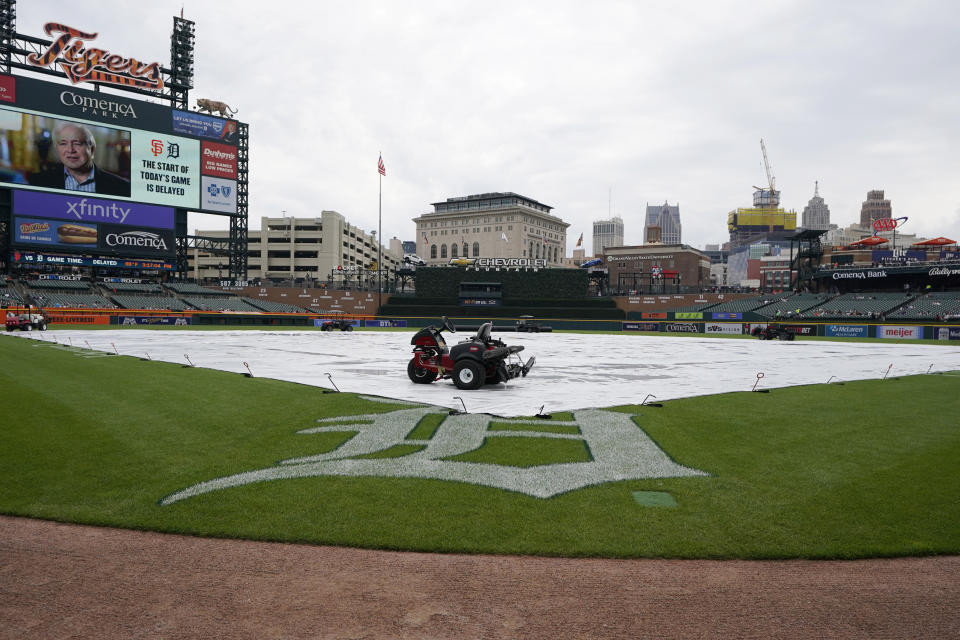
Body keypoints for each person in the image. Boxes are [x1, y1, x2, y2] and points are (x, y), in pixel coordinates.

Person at [29, 122, 130, 197]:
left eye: (77, 143)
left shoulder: (123, 187)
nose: (70, 150)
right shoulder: (38, 182)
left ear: (92, 149)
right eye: (63, 143)